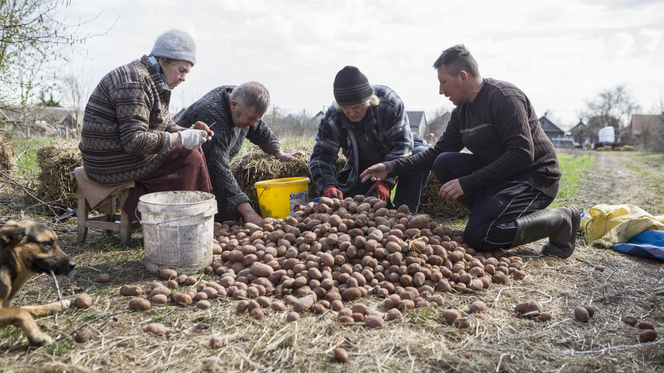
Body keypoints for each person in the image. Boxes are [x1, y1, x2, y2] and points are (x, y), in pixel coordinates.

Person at [361, 45, 579, 258]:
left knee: (479, 237)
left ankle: (561, 219)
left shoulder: (504, 98)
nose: (441, 91)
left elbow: (522, 153)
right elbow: (436, 153)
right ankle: (488, 214)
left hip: (534, 179)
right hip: (502, 178)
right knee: (444, 162)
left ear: (463, 77)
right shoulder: (461, 113)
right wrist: (389, 168)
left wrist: (469, 182)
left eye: (444, 82)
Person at [80, 29, 213, 220]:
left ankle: (194, 218)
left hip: (121, 153)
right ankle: (180, 222)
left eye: (187, 72)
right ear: (163, 60)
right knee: (190, 159)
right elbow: (134, 141)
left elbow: (164, 125)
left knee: (195, 150)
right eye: (181, 70)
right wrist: (181, 138)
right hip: (107, 160)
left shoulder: (154, 80)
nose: (184, 78)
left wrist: (190, 132)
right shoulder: (135, 82)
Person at [174, 82, 305, 225]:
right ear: (233, 105)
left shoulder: (242, 102)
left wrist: (279, 153)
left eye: (257, 118)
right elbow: (219, 169)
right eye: (250, 118)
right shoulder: (213, 119)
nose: (253, 123)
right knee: (216, 217)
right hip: (182, 172)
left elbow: (259, 128)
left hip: (211, 167)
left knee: (229, 215)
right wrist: (249, 213)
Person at [309, 66, 430, 213]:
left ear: (370, 99)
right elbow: (321, 157)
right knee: (350, 206)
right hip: (364, 167)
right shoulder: (332, 117)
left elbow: (401, 146)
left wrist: (386, 180)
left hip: (400, 157)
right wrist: (328, 185)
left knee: (422, 154)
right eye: (346, 108)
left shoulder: (389, 102)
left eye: (357, 107)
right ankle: (384, 208)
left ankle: (403, 213)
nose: (352, 113)